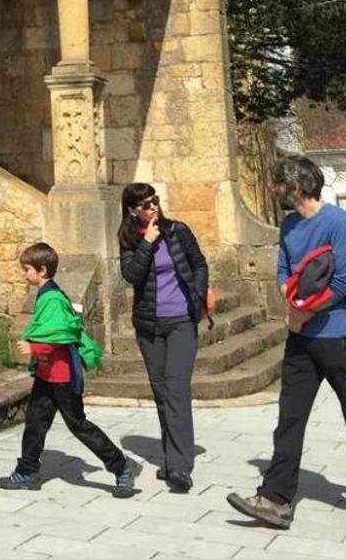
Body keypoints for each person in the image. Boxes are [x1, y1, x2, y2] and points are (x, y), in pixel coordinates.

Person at [228, 156, 346, 531]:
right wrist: (293, 302)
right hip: (301, 341)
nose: (273, 190)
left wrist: (303, 314)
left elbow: (343, 284)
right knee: (290, 418)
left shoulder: (338, 224)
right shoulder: (288, 225)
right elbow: (284, 272)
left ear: (296, 188)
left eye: (277, 185)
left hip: (339, 340)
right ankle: (276, 499)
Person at [0, 242, 139, 498]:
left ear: (42, 270)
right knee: (35, 422)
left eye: (26, 269)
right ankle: (28, 471)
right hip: (46, 374)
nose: (23, 274)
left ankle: (121, 466)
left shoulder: (51, 298)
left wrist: (34, 348)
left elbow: (59, 336)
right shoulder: (47, 294)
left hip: (61, 375)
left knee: (78, 424)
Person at [118, 184, 209, 494]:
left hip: (182, 322)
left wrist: (196, 297)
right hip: (149, 326)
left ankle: (181, 466)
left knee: (177, 389)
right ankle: (171, 459)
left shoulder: (178, 231)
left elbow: (199, 264)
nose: (152, 207)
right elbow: (131, 275)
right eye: (144, 205)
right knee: (161, 392)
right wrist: (146, 242)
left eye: (154, 201)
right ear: (132, 211)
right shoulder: (130, 239)